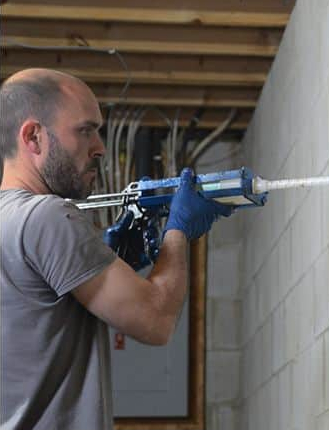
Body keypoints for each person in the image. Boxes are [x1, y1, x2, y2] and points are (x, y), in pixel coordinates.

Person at [0, 68, 232, 429]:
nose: (100, 147)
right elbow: (157, 321)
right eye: (85, 130)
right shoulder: (45, 216)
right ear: (33, 136)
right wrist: (179, 229)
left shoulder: (10, 222)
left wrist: (107, 258)